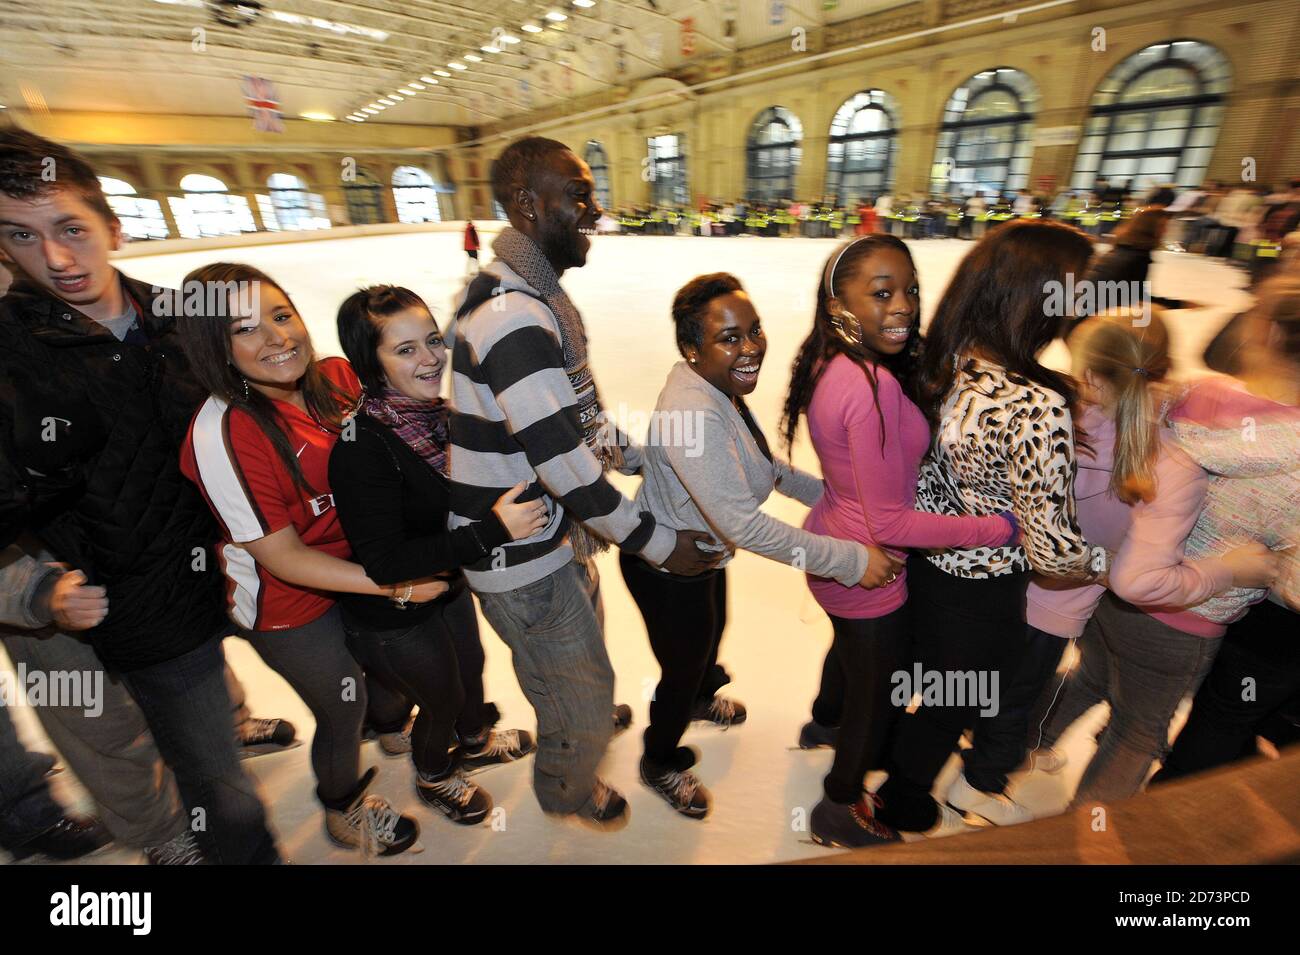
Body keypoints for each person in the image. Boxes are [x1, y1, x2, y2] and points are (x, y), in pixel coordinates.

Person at [0, 130, 281, 864]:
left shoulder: (181, 318)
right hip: (92, 603)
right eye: (20, 237)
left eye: (71, 229)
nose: (57, 260)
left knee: (208, 734)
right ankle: (166, 840)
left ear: (112, 227)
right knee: (115, 737)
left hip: (199, 587)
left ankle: (223, 745)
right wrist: (33, 594)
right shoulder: (12, 357)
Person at [447, 136, 719, 826]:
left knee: (569, 661)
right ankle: (568, 778)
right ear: (527, 206)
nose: (595, 209)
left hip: (553, 541)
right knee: (581, 683)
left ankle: (572, 706)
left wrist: (644, 458)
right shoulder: (514, 318)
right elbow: (562, 461)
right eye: (578, 194)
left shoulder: (533, 300)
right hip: (523, 556)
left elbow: (580, 420)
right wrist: (654, 540)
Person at [623, 272, 901, 820]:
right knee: (680, 669)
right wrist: (848, 560)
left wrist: (841, 502)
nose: (750, 347)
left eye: (755, 330)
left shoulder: (716, 388)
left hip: (703, 558)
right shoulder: (693, 415)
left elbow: (765, 469)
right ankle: (658, 759)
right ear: (691, 348)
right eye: (730, 338)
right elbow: (745, 527)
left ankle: (701, 695)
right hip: (667, 571)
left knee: (709, 641)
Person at [869, 220, 1110, 837]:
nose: (1078, 305)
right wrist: (1114, 565)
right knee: (953, 700)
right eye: (1074, 289)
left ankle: (882, 755)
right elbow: (1054, 553)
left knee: (926, 679)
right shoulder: (1035, 402)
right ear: (1036, 296)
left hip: (922, 563)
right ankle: (903, 793)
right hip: (981, 589)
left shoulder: (933, 360)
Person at [178, 262, 427, 856]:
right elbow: (284, 558)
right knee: (345, 700)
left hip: (361, 568)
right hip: (288, 600)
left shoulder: (339, 377)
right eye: (245, 330)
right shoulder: (223, 433)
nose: (277, 338)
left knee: (393, 667)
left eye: (281, 315)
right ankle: (342, 804)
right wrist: (396, 585)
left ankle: (394, 730)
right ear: (214, 347)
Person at [779, 235, 1016, 846]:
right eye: (881, 293)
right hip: (867, 565)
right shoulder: (870, 385)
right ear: (841, 306)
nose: (904, 306)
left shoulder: (834, 360)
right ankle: (838, 806)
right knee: (876, 699)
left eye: (909, 289)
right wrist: (998, 528)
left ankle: (827, 726)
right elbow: (891, 522)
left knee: (859, 674)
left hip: (839, 547)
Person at [1039, 278, 1295, 803]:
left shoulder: (1197, 394)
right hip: (1184, 619)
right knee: (1136, 730)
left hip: (1109, 591)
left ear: (1264, 332)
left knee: (1092, 675)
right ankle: (1081, 839)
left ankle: (1011, 746)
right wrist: (1254, 570)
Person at [330, 284, 538, 824]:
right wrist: (492, 531)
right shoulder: (363, 447)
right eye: (404, 350)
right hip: (391, 612)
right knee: (440, 699)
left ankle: (473, 739)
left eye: (432, 341)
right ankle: (435, 773)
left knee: (470, 669)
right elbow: (385, 561)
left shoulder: (436, 417)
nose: (430, 359)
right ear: (369, 363)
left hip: (445, 584)